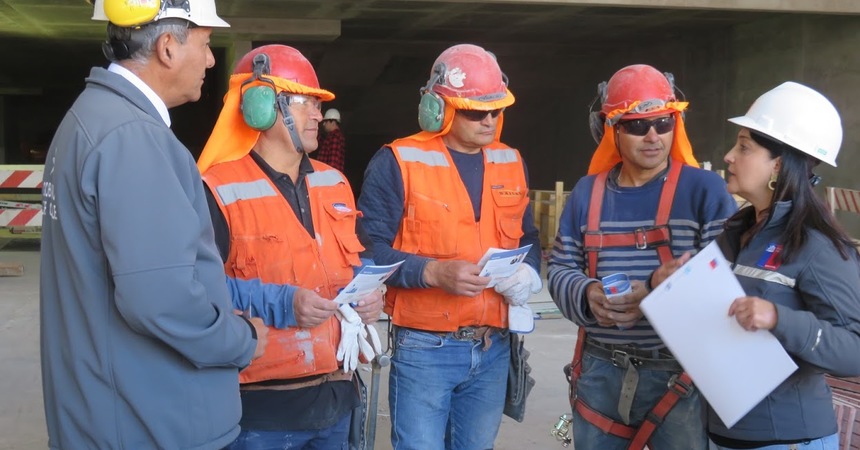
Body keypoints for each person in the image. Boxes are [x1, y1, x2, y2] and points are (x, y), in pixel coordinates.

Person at [39, 1, 268, 449]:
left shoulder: (91, 120)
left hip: (109, 410)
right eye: (204, 45)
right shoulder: (133, 138)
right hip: (148, 422)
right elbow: (160, 300)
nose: (209, 60)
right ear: (167, 47)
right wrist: (240, 339)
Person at [652, 81, 860, 449]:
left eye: (744, 147)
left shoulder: (817, 246)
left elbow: (853, 350)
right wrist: (671, 284)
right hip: (720, 433)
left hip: (790, 439)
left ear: (778, 164)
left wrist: (780, 318)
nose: (729, 156)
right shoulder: (736, 233)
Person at [196, 44, 384, 450]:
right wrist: (284, 303)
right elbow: (195, 289)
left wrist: (372, 293)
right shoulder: (217, 189)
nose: (318, 114)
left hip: (337, 398)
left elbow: (361, 260)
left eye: (317, 104)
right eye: (304, 102)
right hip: (261, 412)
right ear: (261, 104)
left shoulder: (335, 182)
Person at [358, 43, 543, 450]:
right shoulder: (398, 161)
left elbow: (528, 237)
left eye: (497, 110)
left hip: (493, 344)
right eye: (478, 111)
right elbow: (369, 250)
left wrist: (528, 273)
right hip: (425, 346)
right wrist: (432, 272)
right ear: (438, 107)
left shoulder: (510, 160)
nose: (490, 120)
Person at [547, 64, 737, 450]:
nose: (653, 136)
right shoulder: (586, 194)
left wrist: (655, 297)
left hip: (680, 374)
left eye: (663, 123)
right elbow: (560, 267)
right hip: (601, 369)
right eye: (637, 125)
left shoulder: (705, 191)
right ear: (611, 129)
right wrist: (587, 294)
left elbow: (730, 281)